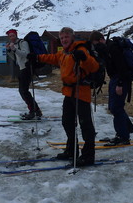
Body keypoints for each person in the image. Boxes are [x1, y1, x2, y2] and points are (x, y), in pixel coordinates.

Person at [27, 27, 99, 166]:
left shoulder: (80, 50)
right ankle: (71, 151)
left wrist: (83, 57)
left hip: (81, 92)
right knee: (67, 122)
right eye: (62, 38)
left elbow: (93, 66)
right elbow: (52, 57)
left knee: (85, 125)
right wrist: (36, 57)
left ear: (72, 37)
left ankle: (88, 156)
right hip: (68, 93)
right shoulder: (64, 53)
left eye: (66, 37)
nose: (64, 39)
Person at [89, 31, 133, 146]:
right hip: (115, 78)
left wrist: (119, 84)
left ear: (101, 39)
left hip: (120, 79)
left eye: (96, 44)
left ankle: (123, 137)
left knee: (116, 108)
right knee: (114, 106)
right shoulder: (107, 48)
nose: (96, 47)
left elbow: (122, 67)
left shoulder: (113, 48)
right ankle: (126, 129)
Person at [5, 29, 42, 120]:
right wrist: (10, 50)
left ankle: (33, 111)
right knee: (23, 91)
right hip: (22, 69)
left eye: (13, 35)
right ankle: (36, 111)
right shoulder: (15, 45)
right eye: (10, 36)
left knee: (24, 91)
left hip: (27, 68)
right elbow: (15, 58)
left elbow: (26, 54)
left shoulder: (23, 43)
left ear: (16, 35)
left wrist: (15, 49)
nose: (11, 37)